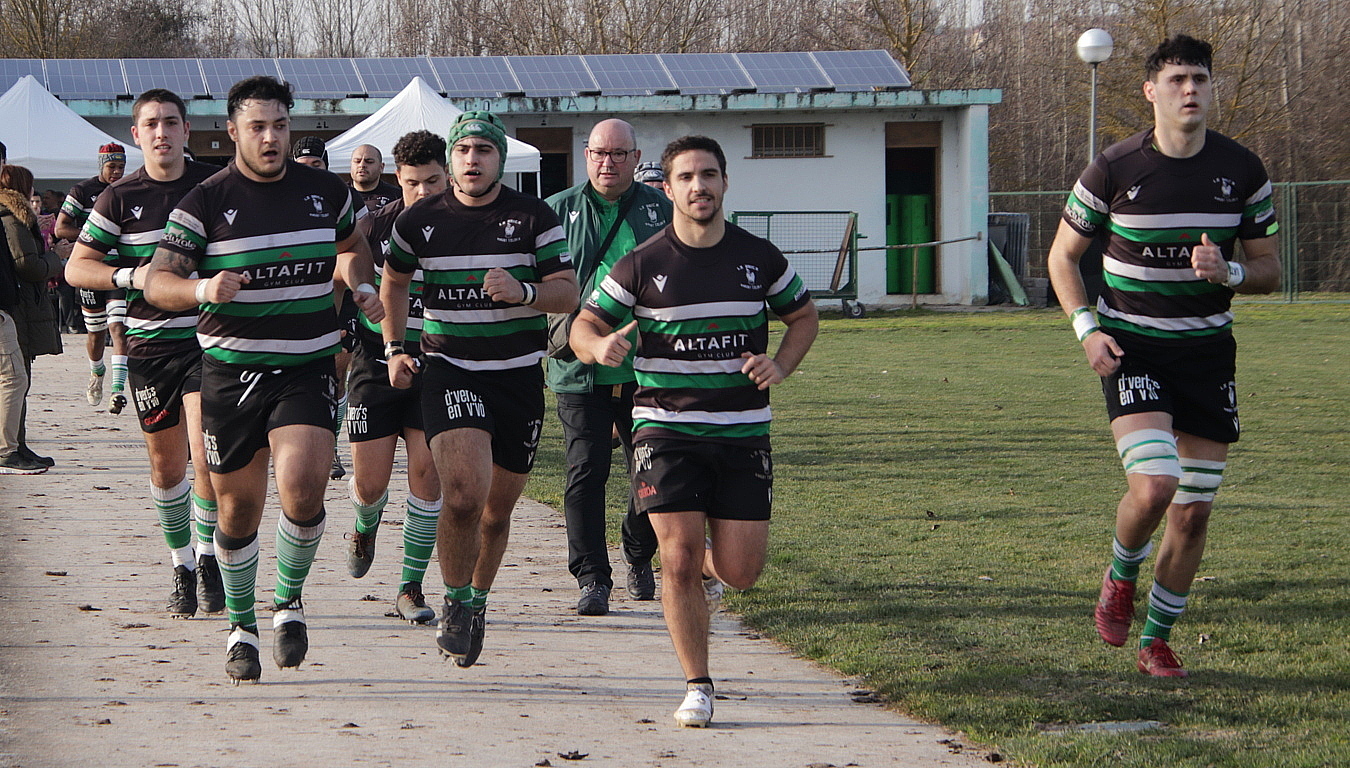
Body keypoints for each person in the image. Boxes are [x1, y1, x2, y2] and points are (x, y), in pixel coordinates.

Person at [1047, 35, 1281, 679]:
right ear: (1150, 91)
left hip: (1207, 355)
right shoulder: (1113, 168)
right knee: (1154, 487)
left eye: (1200, 79)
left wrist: (1229, 269)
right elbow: (1062, 258)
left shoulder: (1244, 169)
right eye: (1176, 79)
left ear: (1211, 89)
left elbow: (1269, 270)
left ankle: (1156, 637)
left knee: (1194, 509)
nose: (1190, 90)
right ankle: (1120, 576)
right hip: (1134, 348)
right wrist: (1087, 330)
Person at [570, 135, 818, 727]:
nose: (698, 186)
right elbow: (583, 322)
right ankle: (698, 684)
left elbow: (803, 315)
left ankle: (708, 571)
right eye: (686, 177)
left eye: (709, 175)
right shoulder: (644, 263)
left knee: (741, 572)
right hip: (665, 430)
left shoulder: (760, 258)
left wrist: (781, 363)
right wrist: (599, 344)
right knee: (677, 559)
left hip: (741, 432)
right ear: (669, 187)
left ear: (725, 183)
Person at [143, 75, 383, 683]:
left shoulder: (326, 192)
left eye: (280, 125)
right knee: (237, 509)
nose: (271, 138)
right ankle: (241, 625)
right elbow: (156, 282)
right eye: (257, 127)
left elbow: (351, 246)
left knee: (303, 486)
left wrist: (359, 284)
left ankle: (289, 601)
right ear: (232, 132)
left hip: (304, 364)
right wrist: (200, 288)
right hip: (229, 372)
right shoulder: (202, 203)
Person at [380, 111, 577, 667]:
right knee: (463, 496)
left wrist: (523, 292)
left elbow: (568, 293)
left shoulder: (533, 215)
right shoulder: (421, 220)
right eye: (463, 150)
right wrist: (395, 346)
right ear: (450, 160)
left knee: (496, 511)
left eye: (483, 151)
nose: (472, 160)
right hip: (451, 370)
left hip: (517, 376)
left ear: (499, 159)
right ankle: (457, 602)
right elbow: (392, 280)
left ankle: (480, 600)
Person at [66, 88, 225, 619]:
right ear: (136, 136)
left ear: (186, 130)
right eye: (151, 124)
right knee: (166, 466)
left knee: (206, 457)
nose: (162, 132)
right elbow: (75, 267)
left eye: (171, 123)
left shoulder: (213, 186)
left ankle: (207, 557)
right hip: (150, 344)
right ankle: (180, 563)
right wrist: (130, 276)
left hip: (210, 338)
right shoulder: (118, 198)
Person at [545, 119, 669, 616]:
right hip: (580, 368)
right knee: (585, 471)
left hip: (648, 369)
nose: (608, 162)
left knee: (652, 473)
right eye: (599, 152)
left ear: (636, 158)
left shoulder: (662, 211)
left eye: (619, 154)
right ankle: (592, 577)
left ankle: (638, 551)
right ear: (586, 154)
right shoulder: (557, 210)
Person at [343, 130, 446, 624]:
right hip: (375, 359)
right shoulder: (373, 225)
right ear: (395, 182)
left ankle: (411, 587)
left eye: (432, 182)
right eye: (412, 184)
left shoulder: (465, 225)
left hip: (439, 366)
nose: (423, 193)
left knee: (428, 473)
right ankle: (364, 525)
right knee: (370, 482)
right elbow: (345, 268)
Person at [55, 143, 129, 412]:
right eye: (112, 167)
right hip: (89, 271)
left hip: (118, 272)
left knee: (119, 328)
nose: (117, 172)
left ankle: (118, 390)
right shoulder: (82, 191)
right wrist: (96, 237)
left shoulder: (129, 190)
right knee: (96, 334)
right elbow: (61, 227)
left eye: (121, 167)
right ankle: (97, 374)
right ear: (101, 165)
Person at [0, 164, 62, 474]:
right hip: (19, 308)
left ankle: (18, 444)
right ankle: (10, 448)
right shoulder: (12, 219)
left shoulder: (17, 217)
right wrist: (57, 256)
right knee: (15, 379)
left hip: (23, 307)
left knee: (20, 379)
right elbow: (28, 266)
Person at [350, 144, 400, 212]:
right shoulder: (340, 194)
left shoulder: (397, 197)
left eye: (369, 162)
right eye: (357, 161)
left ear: (381, 167)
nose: (362, 165)